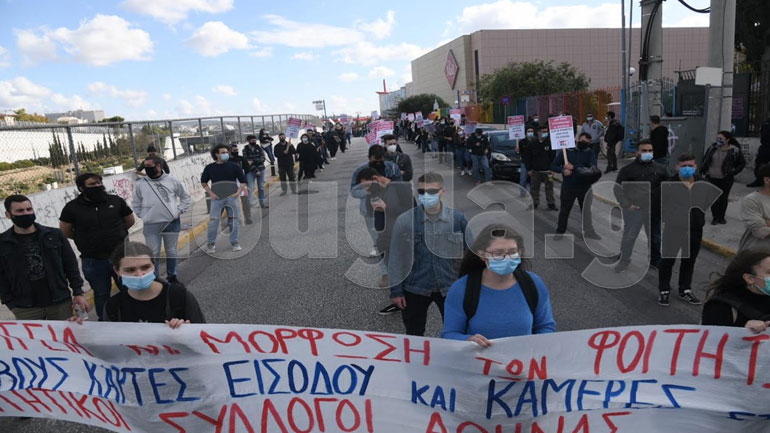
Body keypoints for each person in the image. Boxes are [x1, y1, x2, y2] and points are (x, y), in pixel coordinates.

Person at [442, 224, 555, 346]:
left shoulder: (533, 283)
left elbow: (546, 326)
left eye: (513, 252)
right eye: (498, 253)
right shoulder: (461, 289)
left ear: (520, 252)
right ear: (482, 255)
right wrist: (467, 340)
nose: (506, 258)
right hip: (480, 364)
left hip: (523, 363)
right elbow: (450, 334)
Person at [388, 172, 470, 336]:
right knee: (414, 333)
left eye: (432, 192)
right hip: (415, 287)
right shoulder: (405, 221)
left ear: (442, 192)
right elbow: (396, 257)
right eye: (422, 192)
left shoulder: (457, 219)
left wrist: (473, 286)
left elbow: (472, 254)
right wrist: (396, 290)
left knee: (458, 332)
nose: (426, 196)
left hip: (450, 287)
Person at [60, 173, 134, 321]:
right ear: (81, 188)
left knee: (130, 290)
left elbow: (130, 221)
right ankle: (105, 322)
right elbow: (65, 231)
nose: (97, 186)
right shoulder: (72, 208)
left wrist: (117, 234)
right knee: (101, 294)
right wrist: (86, 239)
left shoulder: (116, 201)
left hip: (121, 257)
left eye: (99, 183)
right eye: (92, 185)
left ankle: (134, 317)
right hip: (93, 260)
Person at [1, 195, 88, 320]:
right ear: (8, 215)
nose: (26, 213)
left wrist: (78, 292)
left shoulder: (54, 235)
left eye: (29, 209)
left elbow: (70, 265)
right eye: (20, 211)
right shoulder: (3, 242)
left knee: (63, 337)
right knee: (35, 340)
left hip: (60, 302)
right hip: (25, 307)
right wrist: (10, 303)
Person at [658, 153, 720, 306]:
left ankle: (685, 289)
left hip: (694, 230)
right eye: (683, 166)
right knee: (667, 261)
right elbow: (659, 205)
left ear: (695, 167)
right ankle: (664, 290)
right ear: (677, 167)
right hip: (673, 229)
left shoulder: (703, 184)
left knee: (689, 261)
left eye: (690, 166)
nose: (687, 168)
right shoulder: (668, 184)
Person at [355, 168, 415, 315]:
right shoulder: (375, 192)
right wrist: (373, 203)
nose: (366, 190)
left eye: (367, 186)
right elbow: (372, 215)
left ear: (376, 178)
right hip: (386, 237)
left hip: (403, 236)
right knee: (393, 270)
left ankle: (410, 303)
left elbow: (413, 211)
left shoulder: (401, 187)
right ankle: (399, 299)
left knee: (406, 270)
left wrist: (386, 208)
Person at [103, 242, 205, 326]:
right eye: (130, 270)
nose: (139, 274)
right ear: (117, 271)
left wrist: (187, 330)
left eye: (145, 267)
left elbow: (204, 336)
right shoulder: (113, 307)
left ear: (153, 266)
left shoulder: (180, 296)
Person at [133, 156, 192, 283]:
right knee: (153, 253)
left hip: (171, 222)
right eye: (145, 167)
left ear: (159, 166)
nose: (147, 169)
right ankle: (154, 279)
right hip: (151, 225)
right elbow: (136, 203)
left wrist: (179, 211)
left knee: (171, 250)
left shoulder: (172, 180)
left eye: (150, 167)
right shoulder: (141, 184)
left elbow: (185, 197)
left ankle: (172, 276)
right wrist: (142, 215)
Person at [613, 140, 667, 272]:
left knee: (655, 238)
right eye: (644, 151)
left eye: (650, 151)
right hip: (634, 210)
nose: (647, 153)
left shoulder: (660, 169)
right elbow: (618, 189)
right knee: (629, 237)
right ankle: (624, 260)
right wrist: (627, 205)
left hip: (654, 210)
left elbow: (667, 187)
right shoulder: (628, 170)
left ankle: (655, 261)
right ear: (637, 152)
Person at [351, 145, 403, 257]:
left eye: (381, 160)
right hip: (370, 208)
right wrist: (368, 191)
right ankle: (377, 246)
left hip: (390, 206)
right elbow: (353, 191)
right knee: (374, 230)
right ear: (369, 157)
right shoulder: (360, 171)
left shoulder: (392, 167)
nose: (378, 163)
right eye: (375, 160)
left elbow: (401, 185)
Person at [701, 249, 770, 333]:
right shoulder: (720, 307)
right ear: (749, 278)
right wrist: (740, 329)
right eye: (769, 272)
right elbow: (710, 342)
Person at [551, 133, 600, 239]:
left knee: (586, 211)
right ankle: (560, 231)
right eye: (583, 141)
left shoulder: (590, 153)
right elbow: (553, 165)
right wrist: (562, 170)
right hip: (569, 186)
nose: (584, 144)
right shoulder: (567, 151)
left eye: (587, 143)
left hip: (585, 186)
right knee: (564, 210)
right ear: (577, 139)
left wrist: (574, 167)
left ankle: (589, 232)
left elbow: (593, 168)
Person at [201, 144, 247, 253]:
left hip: (232, 198)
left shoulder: (234, 166)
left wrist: (237, 193)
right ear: (216, 154)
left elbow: (243, 181)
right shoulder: (210, 168)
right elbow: (203, 182)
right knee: (213, 222)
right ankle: (211, 244)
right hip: (217, 199)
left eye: (227, 152)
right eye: (223, 152)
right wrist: (211, 194)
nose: (226, 154)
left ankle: (235, 243)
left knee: (234, 221)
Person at [701, 130, 746, 225]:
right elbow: (705, 160)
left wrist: (733, 172)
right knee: (714, 198)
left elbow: (742, 163)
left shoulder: (734, 150)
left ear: (727, 140)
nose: (718, 140)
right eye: (717, 138)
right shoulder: (712, 148)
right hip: (712, 177)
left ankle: (721, 217)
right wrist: (704, 172)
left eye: (721, 138)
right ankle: (715, 217)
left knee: (723, 198)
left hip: (726, 178)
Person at [523, 125, 557, 211]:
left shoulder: (550, 144)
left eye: (546, 132)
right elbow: (527, 158)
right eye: (544, 132)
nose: (546, 133)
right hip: (535, 171)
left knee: (549, 187)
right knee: (534, 188)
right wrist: (529, 169)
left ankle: (551, 204)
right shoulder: (532, 144)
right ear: (538, 132)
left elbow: (553, 158)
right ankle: (534, 203)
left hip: (548, 171)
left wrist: (553, 169)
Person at [739, 163, 770, 251]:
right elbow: (759, 231)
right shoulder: (752, 200)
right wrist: (764, 224)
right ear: (767, 180)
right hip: (756, 255)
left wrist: (766, 222)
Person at [226, 144, 253, 225]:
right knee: (231, 203)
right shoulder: (226, 161)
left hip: (241, 184)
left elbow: (247, 169)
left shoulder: (241, 159)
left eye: (237, 150)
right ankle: (232, 219)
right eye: (234, 150)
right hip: (231, 185)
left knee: (245, 202)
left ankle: (247, 217)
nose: (236, 152)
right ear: (230, 151)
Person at [242, 135, 268, 208]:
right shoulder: (245, 150)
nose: (254, 141)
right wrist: (255, 170)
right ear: (249, 141)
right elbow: (247, 162)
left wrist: (253, 161)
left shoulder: (259, 148)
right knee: (250, 188)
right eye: (252, 140)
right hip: (251, 171)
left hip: (261, 169)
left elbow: (262, 159)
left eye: (254, 139)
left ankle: (262, 202)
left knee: (261, 187)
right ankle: (250, 204)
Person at [747, 115, 770, 187]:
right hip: (765, 147)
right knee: (759, 164)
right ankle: (759, 180)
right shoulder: (766, 123)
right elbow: (763, 136)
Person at [517, 127, 535, 195]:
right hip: (524, 162)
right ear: (526, 133)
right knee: (523, 179)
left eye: (532, 131)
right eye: (529, 131)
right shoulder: (522, 142)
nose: (530, 133)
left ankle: (533, 193)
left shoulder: (536, 141)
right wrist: (517, 151)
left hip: (534, 162)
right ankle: (522, 192)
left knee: (533, 180)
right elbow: (519, 152)